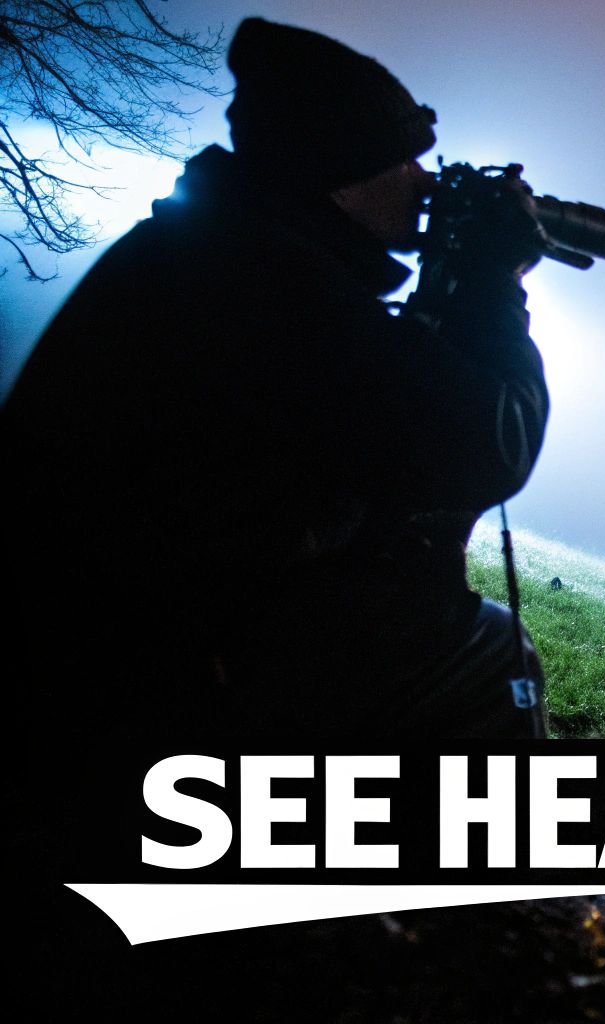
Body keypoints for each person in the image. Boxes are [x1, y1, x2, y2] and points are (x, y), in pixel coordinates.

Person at [0, 17, 552, 744]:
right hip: (129, 671)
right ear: (344, 181)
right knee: (496, 651)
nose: (423, 182)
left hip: (83, 619)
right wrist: (492, 283)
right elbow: (485, 446)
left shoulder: (211, 249)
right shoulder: (275, 289)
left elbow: (385, 403)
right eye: (404, 161)